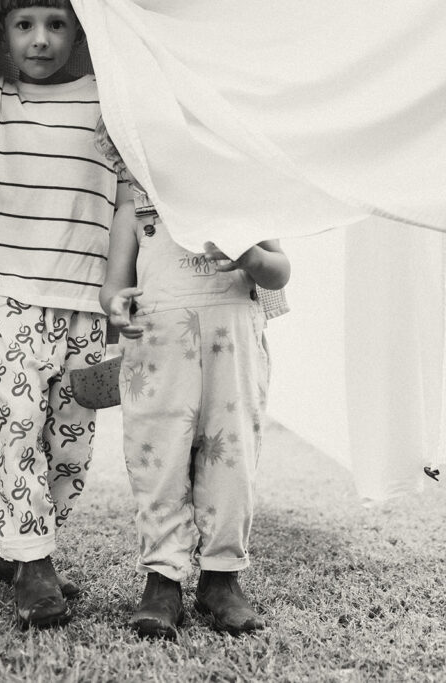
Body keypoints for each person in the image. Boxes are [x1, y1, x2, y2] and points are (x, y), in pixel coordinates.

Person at [0, 0, 119, 627]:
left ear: (79, 31)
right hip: (13, 299)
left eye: (56, 24)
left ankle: (18, 545)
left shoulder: (109, 102)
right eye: (25, 25)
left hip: (89, 305)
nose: (41, 40)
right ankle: (35, 566)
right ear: (3, 32)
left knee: (73, 449)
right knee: (18, 430)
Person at [97, 131, 291, 638]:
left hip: (232, 345)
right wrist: (116, 306)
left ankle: (222, 577)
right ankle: (163, 579)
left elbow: (278, 271)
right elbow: (114, 283)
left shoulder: (242, 185)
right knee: (156, 459)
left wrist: (250, 256)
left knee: (231, 460)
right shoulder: (136, 194)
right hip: (158, 347)